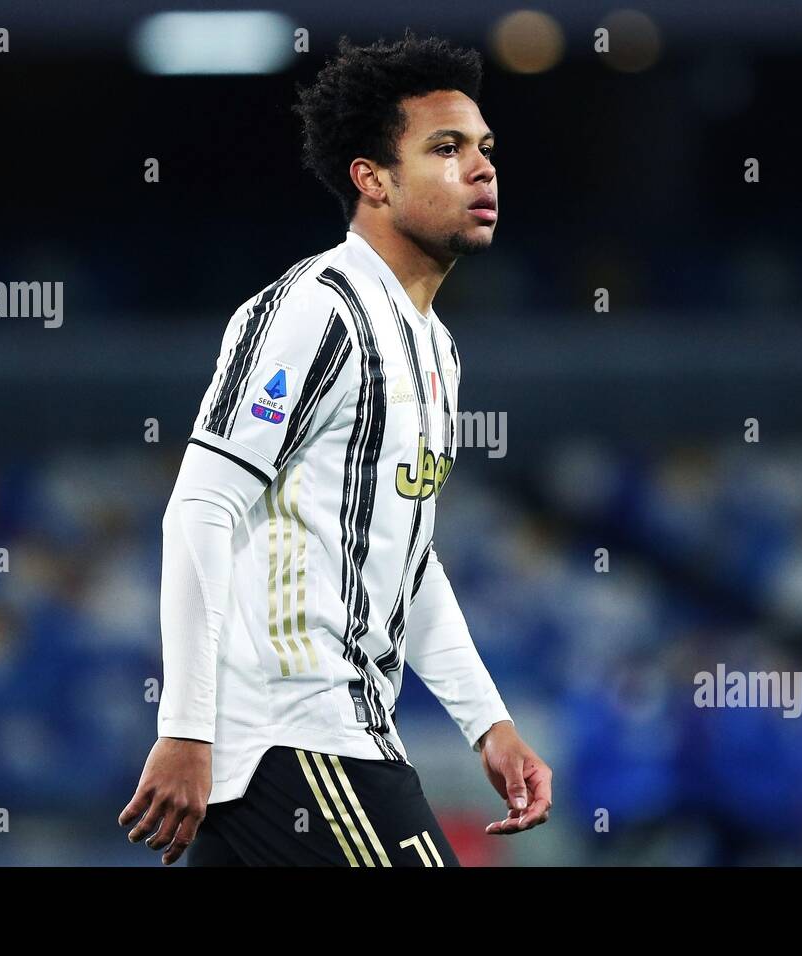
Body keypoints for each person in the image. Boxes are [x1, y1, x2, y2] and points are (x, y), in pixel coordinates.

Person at [119, 31, 552, 866]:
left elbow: (406, 565)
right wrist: (184, 726)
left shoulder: (437, 350)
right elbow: (201, 507)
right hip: (300, 730)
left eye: (485, 149)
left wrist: (487, 725)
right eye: (446, 148)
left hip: (319, 738)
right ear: (374, 179)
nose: (483, 167)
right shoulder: (319, 312)